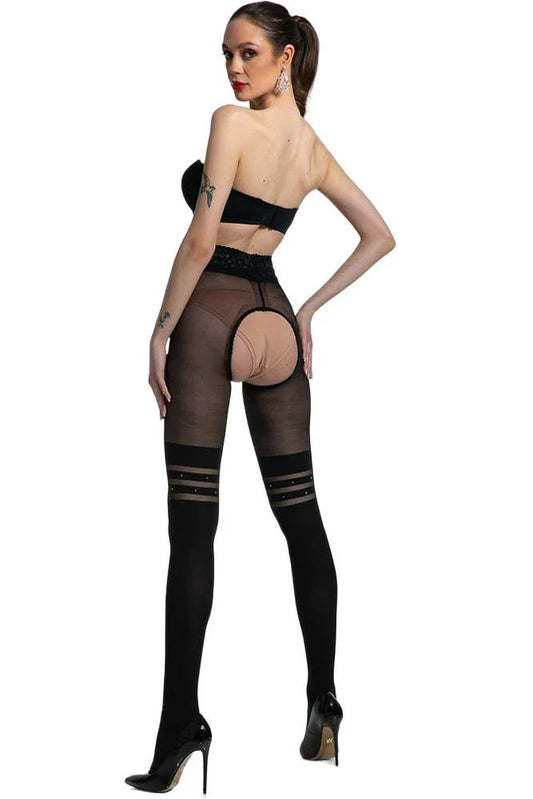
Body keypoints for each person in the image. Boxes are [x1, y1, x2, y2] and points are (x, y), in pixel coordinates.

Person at [125, 2, 395, 793]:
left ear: (285, 59)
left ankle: (179, 726)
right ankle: (324, 700)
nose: (233, 69)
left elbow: (200, 239)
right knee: (301, 517)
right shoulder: (309, 149)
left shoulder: (230, 125)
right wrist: (306, 310)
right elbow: (379, 234)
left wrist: (158, 331)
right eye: (226, 55)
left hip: (211, 315)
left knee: (193, 528)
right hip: (274, 314)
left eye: (248, 53)